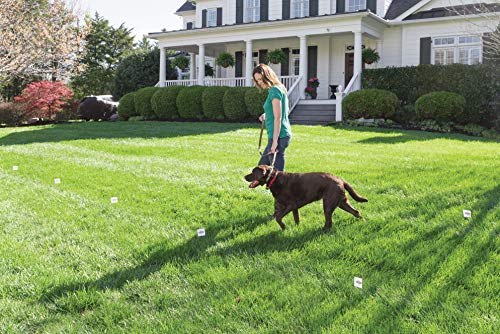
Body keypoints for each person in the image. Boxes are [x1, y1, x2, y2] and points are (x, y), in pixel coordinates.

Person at [252, 63, 292, 172]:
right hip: (279, 135)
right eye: (257, 80)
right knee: (262, 168)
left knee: (276, 174)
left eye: (261, 79)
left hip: (279, 136)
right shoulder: (278, 89)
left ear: (267, 76)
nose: (259, 83)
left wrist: (275, 142)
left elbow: (278, 117)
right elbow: (284, 111)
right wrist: (267, 114)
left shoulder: (275, 90)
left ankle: (284, 188)